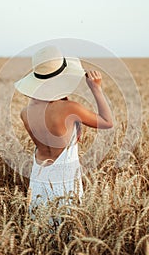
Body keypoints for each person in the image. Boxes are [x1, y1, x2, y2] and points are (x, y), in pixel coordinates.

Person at [14, 45, 113, 213]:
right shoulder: (69, 108)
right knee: (67, 227)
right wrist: (96, 89)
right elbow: (107, 122)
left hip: (38, 178)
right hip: (64, 180)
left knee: (39, 228)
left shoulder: (25, 113)